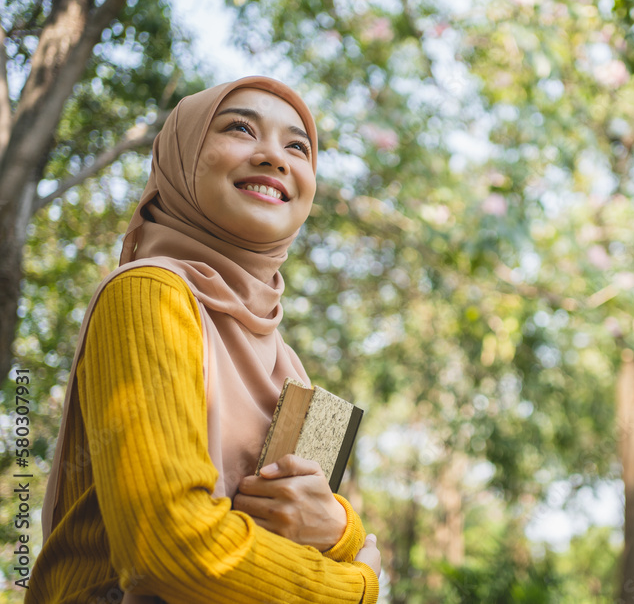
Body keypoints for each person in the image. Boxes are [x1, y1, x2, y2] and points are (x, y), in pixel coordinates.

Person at [27, 77, 380, 603]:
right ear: (182, 156)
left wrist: (341, 527)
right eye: (240, 128)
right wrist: (355, 589)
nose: (274, 158)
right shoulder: (149, 293)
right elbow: (166, 547)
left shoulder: (292, 369)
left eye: (297, 146)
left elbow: (312, 537)